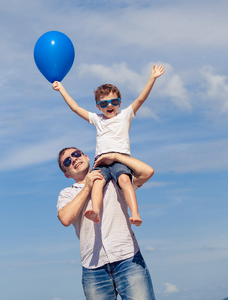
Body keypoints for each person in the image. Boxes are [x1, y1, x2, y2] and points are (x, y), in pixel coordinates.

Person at [53, 65, 165, 226]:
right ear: (98, 106)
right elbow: (76, 108)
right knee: (96, 184)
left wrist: (152, 79)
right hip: (102, 161)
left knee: (125, 182)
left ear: (120, 102)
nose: (109, 106)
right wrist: (61, 89)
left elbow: (141, 99)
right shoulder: (98, 119)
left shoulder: (125, 115)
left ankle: (135, 213)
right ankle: (96, 211)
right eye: (104, 104)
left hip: (121, 160)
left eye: (114, 101)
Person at [57, 147, 155, 299]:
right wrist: (88, 186)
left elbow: (146, 172)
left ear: (86, 157)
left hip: (127, 258)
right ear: (66, 174)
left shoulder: (114, 180)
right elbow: (65, 218)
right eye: (68, 161)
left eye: (76, 154)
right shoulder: (67, 194)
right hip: (93, 268)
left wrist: (116, 156)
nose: (74, 159)